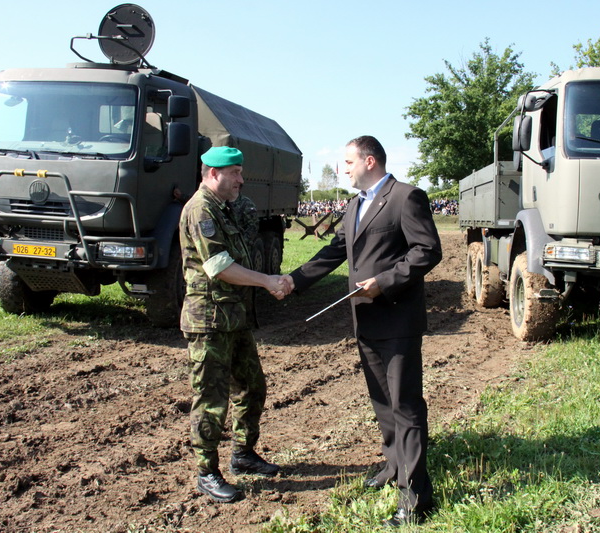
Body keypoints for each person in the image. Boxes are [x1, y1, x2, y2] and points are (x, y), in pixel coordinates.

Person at [285, 135, 442, 526]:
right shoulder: (354, 205)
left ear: (369, 161)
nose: (344, 169)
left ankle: (418, 500)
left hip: (398, 320)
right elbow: (335, 251)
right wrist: (293, 281)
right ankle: (394, 468)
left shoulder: (407, 197)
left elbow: (427, 250)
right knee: (382, 403)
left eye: (348, 162)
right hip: (365, 321)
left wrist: (386, 281)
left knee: (405, 407)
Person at [179, 146, 292, 504]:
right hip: (208, 320)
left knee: (252, 387)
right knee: (211, 400)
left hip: (233, 317)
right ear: (214, 174)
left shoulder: (225, 206)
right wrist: (267, 281)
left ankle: (243, 454)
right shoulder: (201, 210)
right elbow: (219, 267)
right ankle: (207, 473)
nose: (242, 180)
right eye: (236, 173)